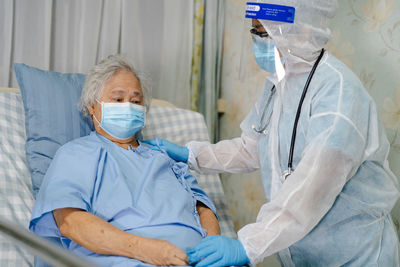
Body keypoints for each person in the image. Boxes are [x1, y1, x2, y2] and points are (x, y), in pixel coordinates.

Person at [144, 0, 400, 266]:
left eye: (263, 32)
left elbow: (313, 187)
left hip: (354, 257)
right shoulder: (280, 84)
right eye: (253, 31)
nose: (256, 41)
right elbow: (251, 148)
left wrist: (248, 244)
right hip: (301, 254)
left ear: (302, 30)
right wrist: (192, 154)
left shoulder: (338, 95)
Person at [29, 55, 220, 267]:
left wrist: (212, 250)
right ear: (93, 106)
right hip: (131, 259)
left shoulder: (165, 156)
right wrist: (148, 250)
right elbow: (70, 222)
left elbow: (203, 208)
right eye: (118, 100)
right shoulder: (76, 154)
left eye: (136, 101)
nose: (128, 106)